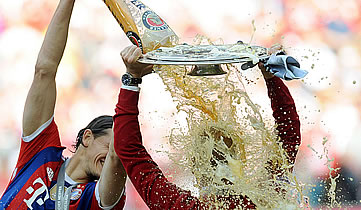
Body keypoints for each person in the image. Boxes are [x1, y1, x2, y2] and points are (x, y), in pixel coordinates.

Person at [113, 45, 301, 209]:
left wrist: (132, 77)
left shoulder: (178, 205)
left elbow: (129, 150)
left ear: (194, 164)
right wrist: (271, 77)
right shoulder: (263, 198)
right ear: (238, 156)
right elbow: (288, 135)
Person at [0, 0, 126, 209]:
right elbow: (44, 71)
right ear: (87, 137)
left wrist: (132, 81)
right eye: (112, 145)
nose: (116, 153)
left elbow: (115, 158)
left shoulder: (98, 199)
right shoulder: (40, 152)